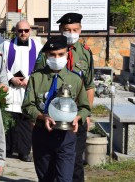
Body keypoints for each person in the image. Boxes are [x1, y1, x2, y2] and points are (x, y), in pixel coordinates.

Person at [35, 13, 94, 182]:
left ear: (80, 30)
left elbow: (89, 85)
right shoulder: (48, 52)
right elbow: (39, 78)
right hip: (52, 117)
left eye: (75, 29)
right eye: (67, 30)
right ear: (61, 30)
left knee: (74, 162)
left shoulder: (85, 53)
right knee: (51, 163)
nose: (71, 33)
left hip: (75, 117)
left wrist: (86, 114)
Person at [22, 35, 91, 182]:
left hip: (66, 137)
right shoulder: (36, 78)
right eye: (52, 55)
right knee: (46, 178)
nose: (56, 57)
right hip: (42, 135)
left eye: (60, 54)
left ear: (67, 54)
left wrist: (78, 117)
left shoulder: (76, 79)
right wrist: (42, 117)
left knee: (65, 178)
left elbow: (85, 107)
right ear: (46, 55)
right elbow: (27, 106)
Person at [0, 20, 42, 162]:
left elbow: (41, 67)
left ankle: (24, 151)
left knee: (25, 122)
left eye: (26, 30)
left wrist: (29, 79)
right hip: (11, 88)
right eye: (20, 31)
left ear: (30, 31)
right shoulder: (5, 46)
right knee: (9, 119)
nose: (23, 33)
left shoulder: (37, 46)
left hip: (27, 89)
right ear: (15, 31)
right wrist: (11, 78)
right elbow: (0, 65)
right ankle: (8, 148)